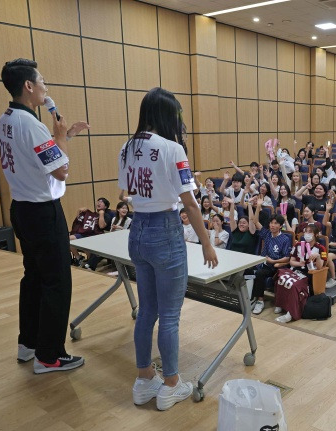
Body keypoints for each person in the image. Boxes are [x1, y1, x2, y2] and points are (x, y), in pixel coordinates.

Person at [119, 87, 217, 411]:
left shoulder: (127, 147)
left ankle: (144, 379)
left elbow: (127, 193)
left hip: (137, 229)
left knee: (147, 310)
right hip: (165, 229)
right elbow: (189, 202)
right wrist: (206, 242)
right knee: (170, 316)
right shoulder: (173, 149)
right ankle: (172, 385)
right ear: (166, 115)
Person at [0, 58, 89, 373]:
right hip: (42, 212)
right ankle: (49, 356)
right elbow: (60, 171)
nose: (45, 88)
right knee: (57, 282)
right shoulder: (33, 125)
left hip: (20, 209)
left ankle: (28, 343)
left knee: (34, 277)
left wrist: (66, 137)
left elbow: (35, 157)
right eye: (42, 82)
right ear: (28, 86)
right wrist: (60, 136)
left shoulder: (6, 119)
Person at [274, 224, 327, 323]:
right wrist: (299, 263)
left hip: (310, 274)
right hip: (296, 270)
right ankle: (280, 304)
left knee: (294, 285)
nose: (307, 234)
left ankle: (291, 313)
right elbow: (291, 261)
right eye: (306, 231)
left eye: (310, 232)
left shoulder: (321, 248)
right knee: (282, 279)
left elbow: (320, 267)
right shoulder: (298, 245)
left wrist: (318, 256)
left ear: (315, 234)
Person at [250, 204, 291, 315]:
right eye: (271, 223)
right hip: (262, 262)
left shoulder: (285, 239)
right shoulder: (267, 233)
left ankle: (260, 300)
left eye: (275, 223)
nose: (272, 225)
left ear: (281, 226)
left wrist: (273, 261)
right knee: (247, 270)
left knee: (259, 274)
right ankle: (250, 297)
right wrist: (258, 206)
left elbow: (287, 257)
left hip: (274, 266)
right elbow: (255, 221)